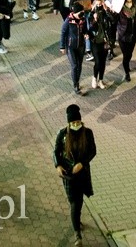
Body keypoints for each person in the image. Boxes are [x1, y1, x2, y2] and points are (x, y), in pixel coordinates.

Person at [53, 104, 97, 247]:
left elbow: (92, 151)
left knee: (78, 203)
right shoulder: (62, 134)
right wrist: (58, 165)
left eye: (78, 122)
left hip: (82, 174)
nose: (76, 125)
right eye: (73, 123)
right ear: (69, 123)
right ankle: (77, 234)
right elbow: (56, 151)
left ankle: (76, 221)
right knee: (75, 203)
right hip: (69, 175)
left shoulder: (88, 133)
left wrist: (82, 163)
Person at [60, 3, 88, 96]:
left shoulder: (82, 19)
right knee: (74, 65)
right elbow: (63, 33)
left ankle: (77, 81)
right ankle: (75, 85)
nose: (82, 14)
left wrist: (86, 34)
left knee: (79, 65)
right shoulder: (68, 20)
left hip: (80, 45)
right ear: (75, 12)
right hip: (71, 46)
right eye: (81, 12)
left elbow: (84, 30)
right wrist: (62, 47)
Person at [86, 0, 113, 89]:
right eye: (97, 3)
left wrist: (107, 11)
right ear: (94, 4)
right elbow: (90, 28)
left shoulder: (106, 12)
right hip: (95, 41)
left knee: (103, 62)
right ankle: (94, 78)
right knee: (97, 62)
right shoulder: (91, 14)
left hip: (104, 41)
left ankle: (100, 80)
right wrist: (95, 20)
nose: (99, 5)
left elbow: (112, 21)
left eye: (100, 3)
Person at [115, 0, 136, 82]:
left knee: (129, 54)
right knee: (126, 55)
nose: (129, 3)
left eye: (130, 2)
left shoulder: (134, 10)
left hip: (133, 36)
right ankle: (127, 73)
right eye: (127, 2)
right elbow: (113, 21)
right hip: (123, 37)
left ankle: (127, 65)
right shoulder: (120, 12)